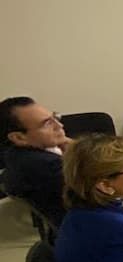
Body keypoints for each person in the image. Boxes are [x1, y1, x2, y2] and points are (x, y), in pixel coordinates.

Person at [1, 97, 71, 226]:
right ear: (19, 138)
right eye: (47, 124)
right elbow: (105, 190)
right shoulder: (47, 166)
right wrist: (79, 152)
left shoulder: (16, 155)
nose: (59, 125)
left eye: (55, 117)